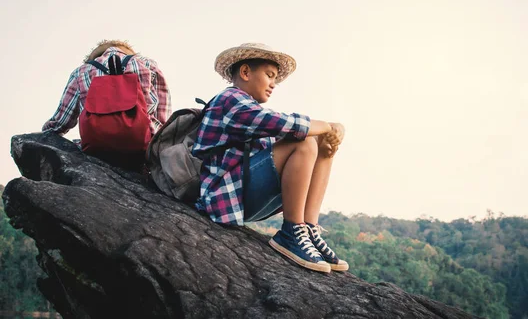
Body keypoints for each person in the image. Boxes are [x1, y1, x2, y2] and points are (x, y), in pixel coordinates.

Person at [192, 43, 348, 273]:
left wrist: (327, 135)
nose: (273, 84)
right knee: (304, 139)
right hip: (224, 195)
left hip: (244, 194)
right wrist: (328, 125)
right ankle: (291, 231)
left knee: (321, 143)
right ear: (245, 72)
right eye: (269, 75)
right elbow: (279, 123)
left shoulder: (249, 108)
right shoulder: (230, 99)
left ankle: (308, 228)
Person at [42, 39, 172, 169]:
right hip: (142, 149)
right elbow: (163, 118)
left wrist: (43, 136)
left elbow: (61, 122)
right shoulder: (148, 65)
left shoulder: (81, 71)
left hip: (96, 148)